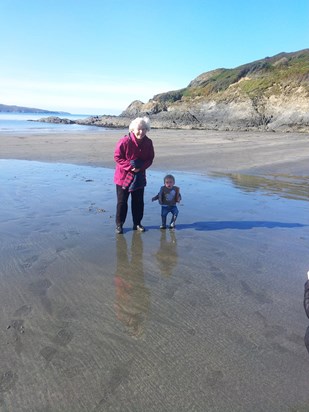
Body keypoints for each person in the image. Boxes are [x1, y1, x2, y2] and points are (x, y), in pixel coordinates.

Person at [114, 117, 154, 234]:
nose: (141, 132)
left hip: (139, 176)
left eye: (144, 129)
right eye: (139, 129)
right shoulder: (124, 141)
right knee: (122, 202)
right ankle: (119, 225)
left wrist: (140, 167)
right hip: (123, 177)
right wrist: (130, 167)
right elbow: (117, 157)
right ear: (132, 129)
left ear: (147, 130)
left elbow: (150, 159)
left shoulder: (148, 142)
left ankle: (137, 223)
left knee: (138, 202)